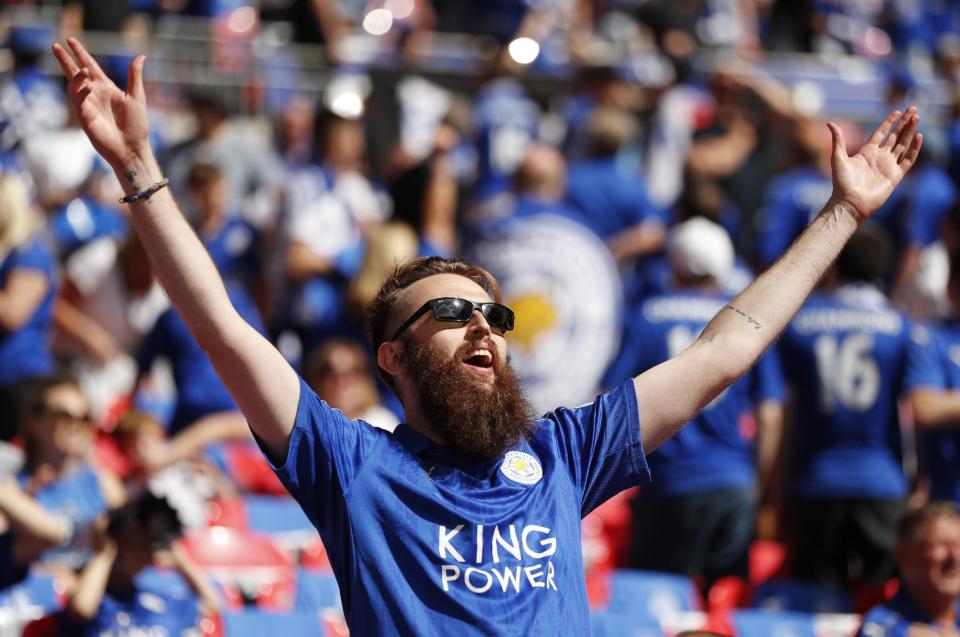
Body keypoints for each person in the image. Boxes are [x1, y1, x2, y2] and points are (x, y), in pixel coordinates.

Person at [52, 37, 923, 635]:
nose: (483, 326)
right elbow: (223, 327)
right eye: (450, 311)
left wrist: (843, 212)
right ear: (391, 356)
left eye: (493, 315)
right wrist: (139, 173)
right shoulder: (351, 466)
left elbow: (725, 350)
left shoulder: (564, 454)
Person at [622, 217, 784, 588]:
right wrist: (763, 488)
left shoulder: (645, 314)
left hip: (667, 484)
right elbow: (771, 414)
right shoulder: (747, 323)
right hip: (732, 483)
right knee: (726, 609)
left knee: (656, 606)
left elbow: (616, 398)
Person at [777, 225, 922, 600]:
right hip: (881, 480)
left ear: (834, 265)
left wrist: (775, 487)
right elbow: (912, 408)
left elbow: (782, 411)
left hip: (816, 481)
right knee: (884, 599)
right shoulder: (900, 326)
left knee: (817, 607)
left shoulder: (800, 323)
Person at [58, 491, 220, 636]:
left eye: (149, 546)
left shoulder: (157, 598)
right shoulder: (81, 588)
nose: (141, 554)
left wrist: (177, 556)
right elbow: (81, 610)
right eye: (134, 543)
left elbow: (212, 607)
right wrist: (104, 552)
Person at [856, 502, 960, 636]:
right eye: (941, 544)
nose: (955, 557)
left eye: (959, 545)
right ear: (902, 555)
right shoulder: (883, 626)